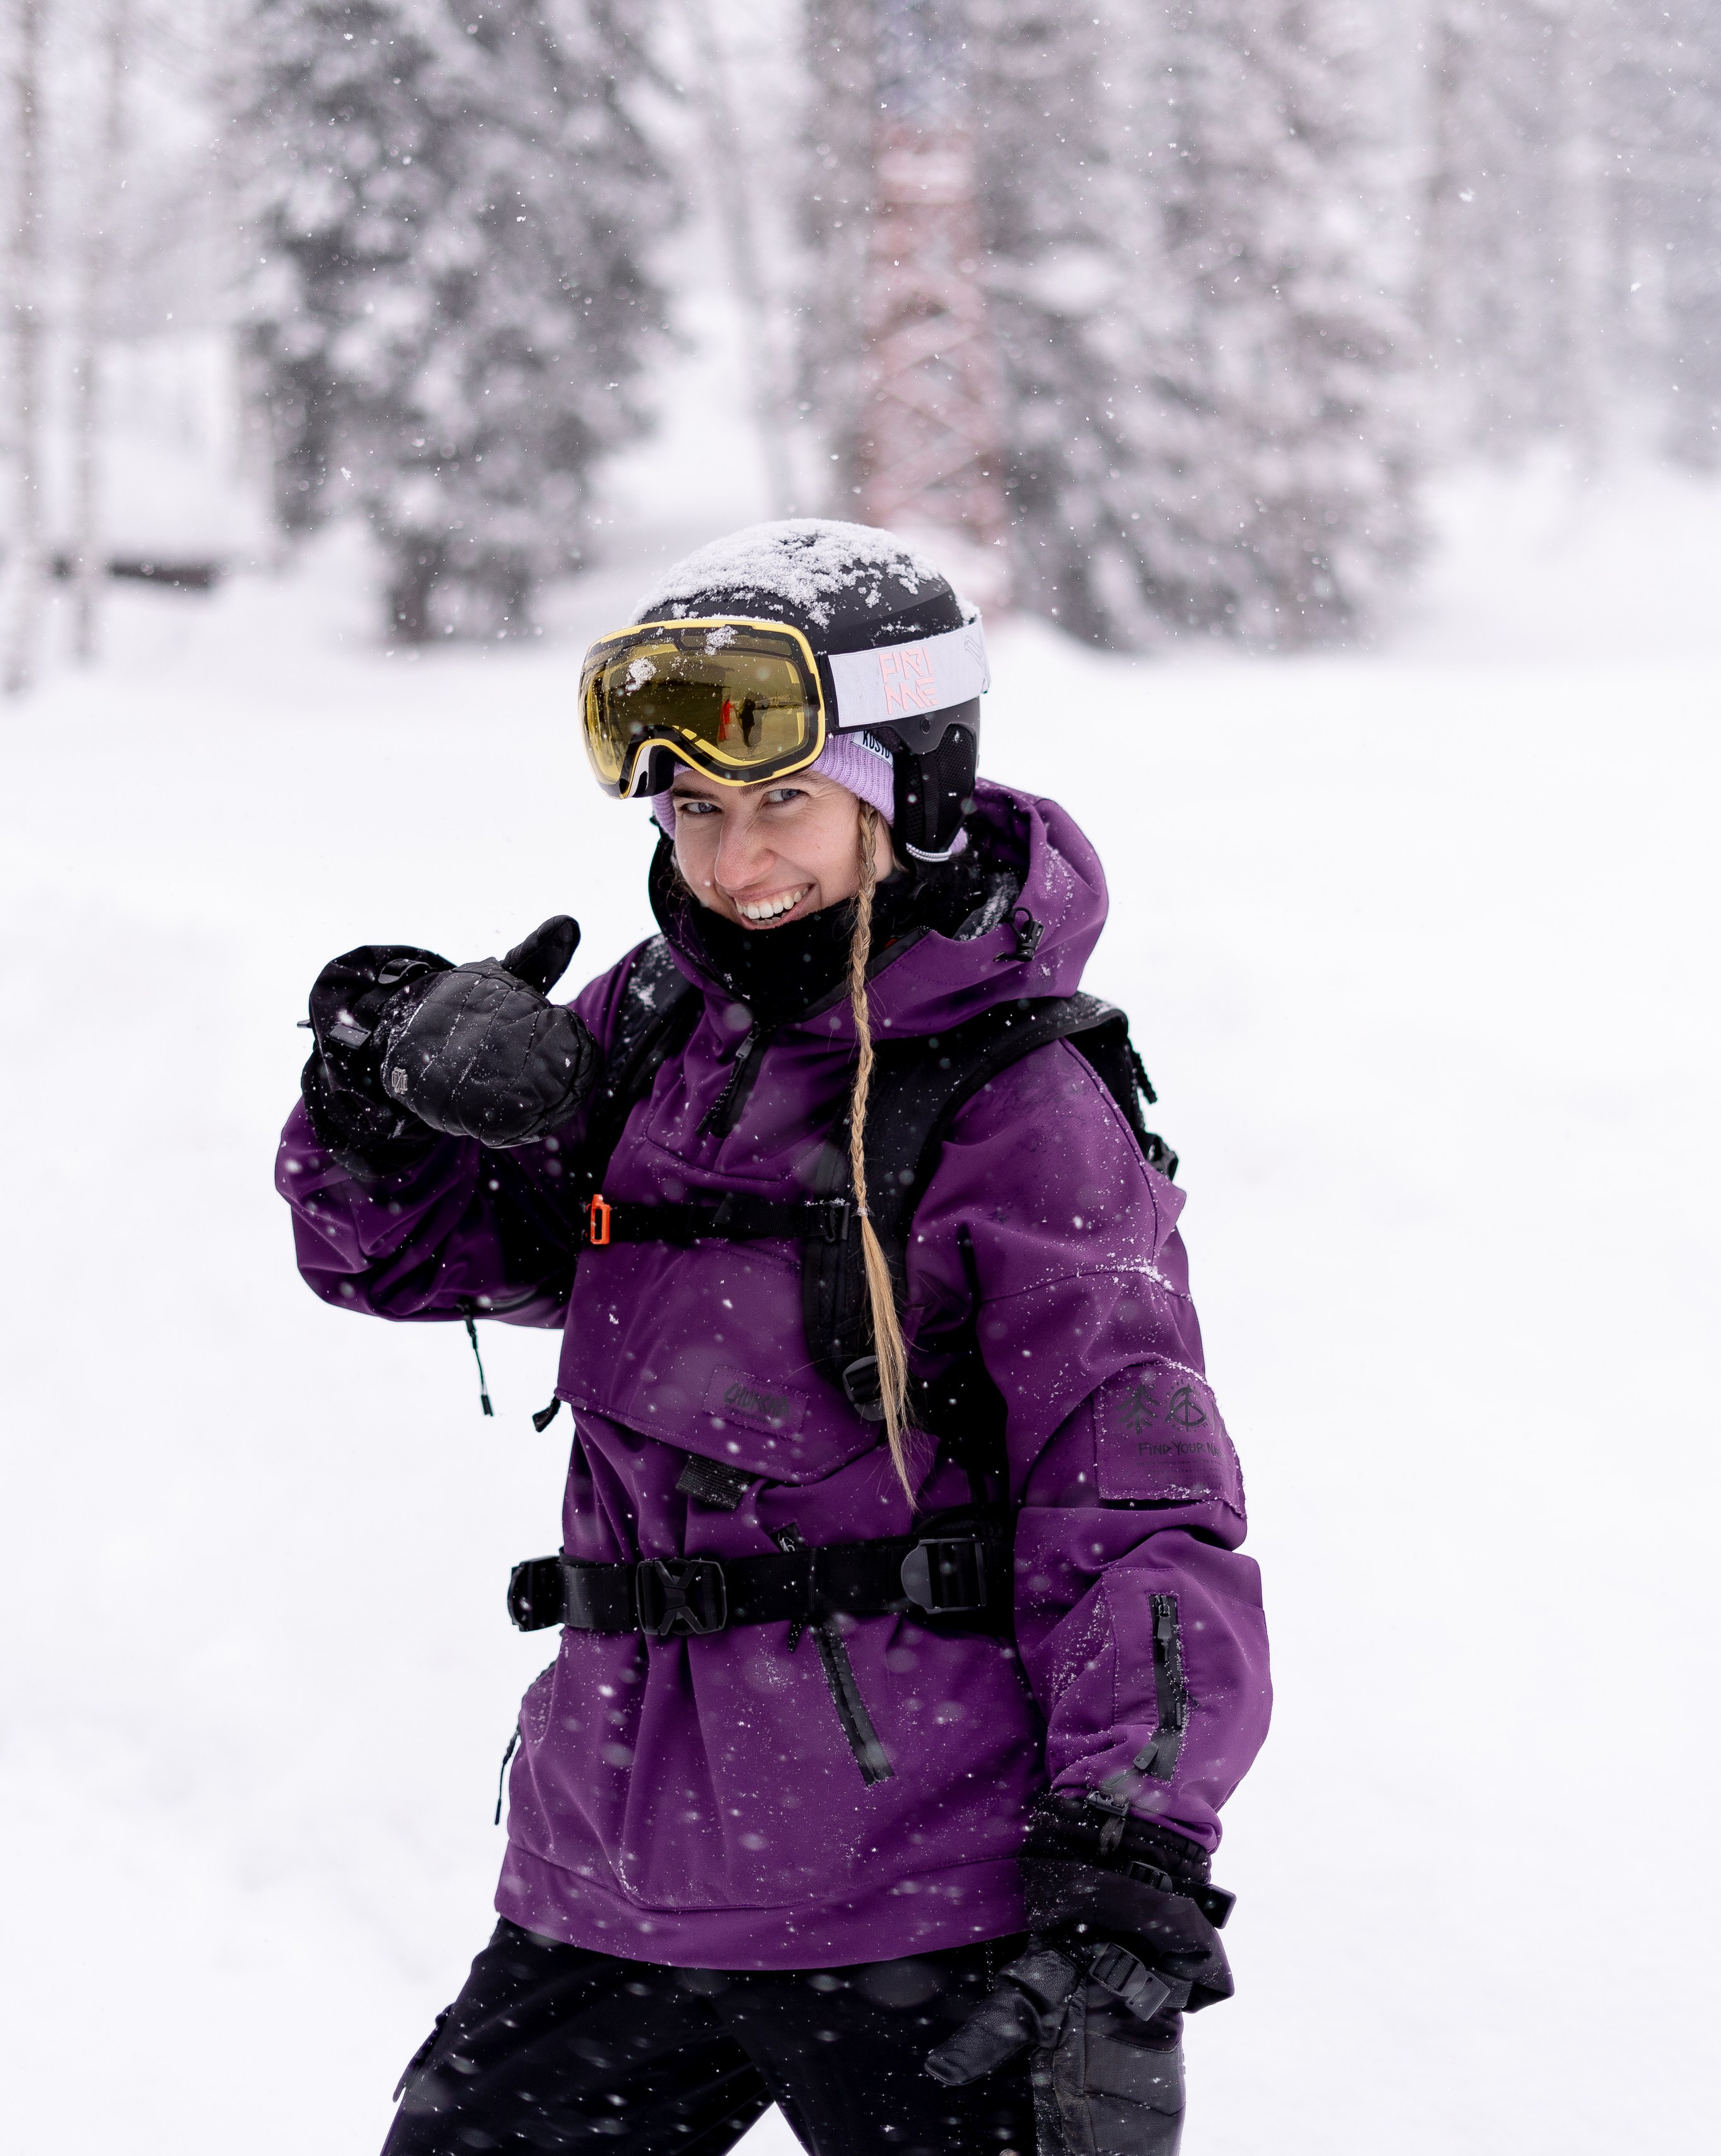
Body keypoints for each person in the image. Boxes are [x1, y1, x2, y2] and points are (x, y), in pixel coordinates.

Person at [277, 518, 1272, 2156]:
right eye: (695, 810)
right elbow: (414, 1264)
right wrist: (377, 1094)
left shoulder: (1013, 1100)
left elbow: (1135, 1500)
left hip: (923, 1899)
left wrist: (1128, 1854)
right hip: (612, 1880)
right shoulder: (655, 1024)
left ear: (913, 792)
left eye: (784, 804)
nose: (735, 867)